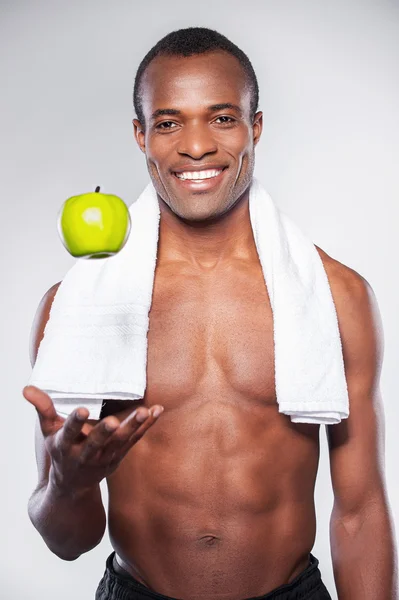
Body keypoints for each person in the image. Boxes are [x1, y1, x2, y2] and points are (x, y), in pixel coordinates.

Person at [24, 27, 398, 600]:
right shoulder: (77, 306)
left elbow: (361, 510)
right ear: (140, 135)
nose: (195, 146)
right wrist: (68, 488)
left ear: (257, 126)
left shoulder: (336, 296)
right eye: (169, 123)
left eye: (222, 118)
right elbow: (69, 541)